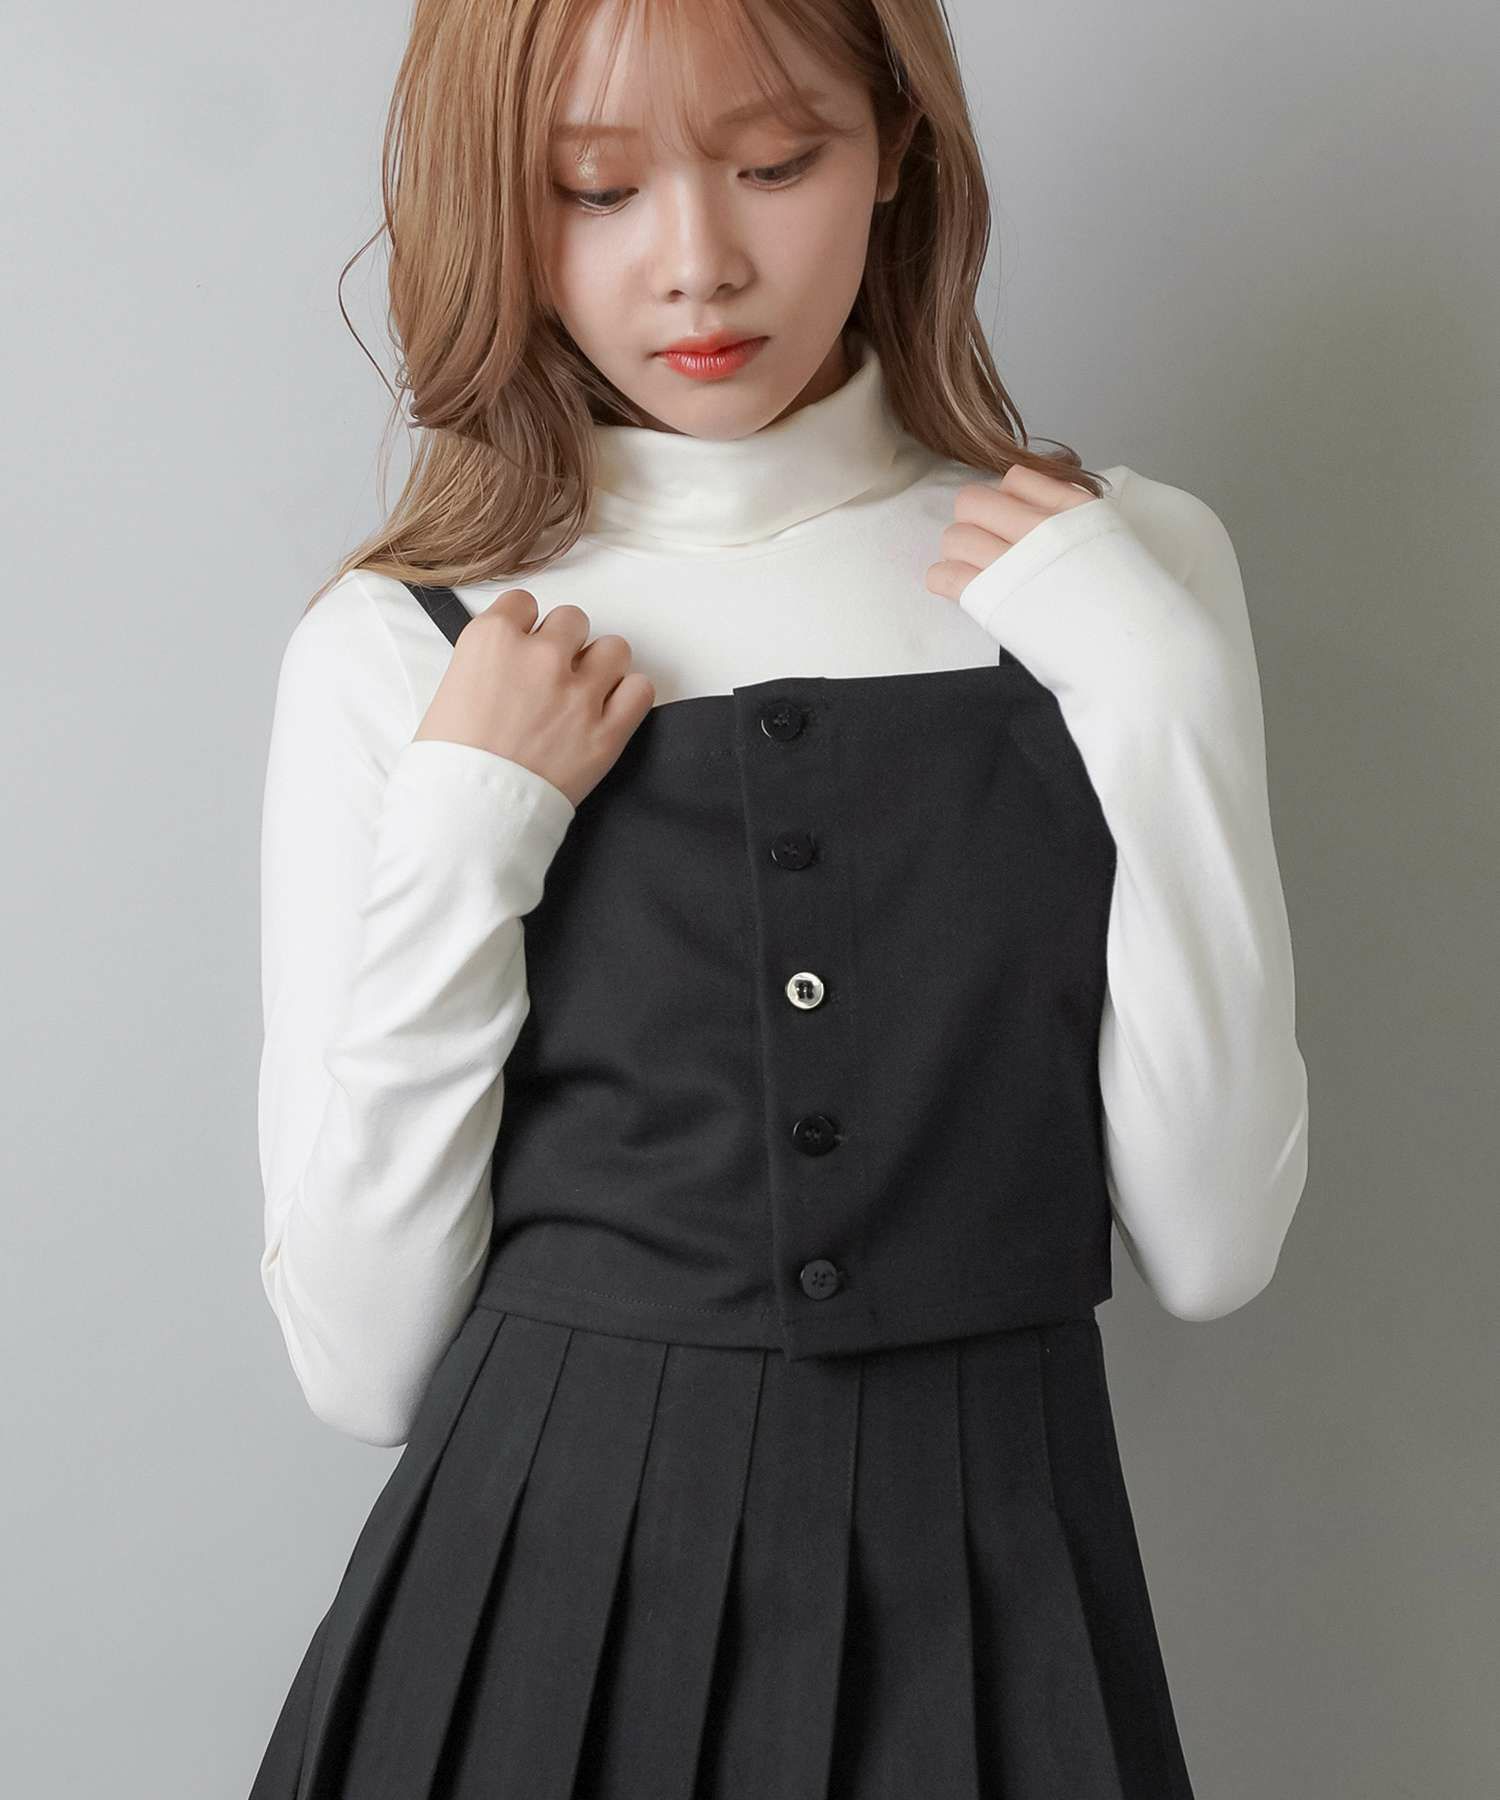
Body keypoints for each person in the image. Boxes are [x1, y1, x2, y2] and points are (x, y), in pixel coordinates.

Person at [248, 0, 1310, 1794]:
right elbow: (362, 1371)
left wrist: (1163, 694)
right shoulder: (402, 644)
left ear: (895, 145)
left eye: (773, 162)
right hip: (532, 1631)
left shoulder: (1125, 570)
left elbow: (1212, 1251)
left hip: (995, 1607)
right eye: (594, 189)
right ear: (502, 204)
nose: (697, 265)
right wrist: (468, 832)